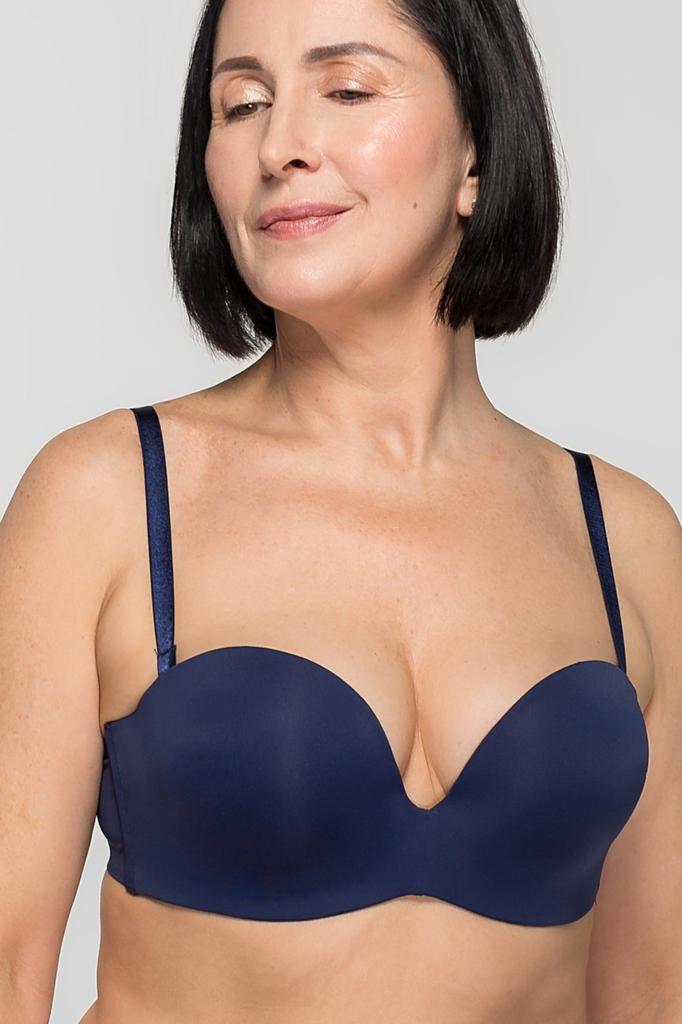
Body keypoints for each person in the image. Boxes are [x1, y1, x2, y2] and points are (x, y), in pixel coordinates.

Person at [1, 0, 681, 1021]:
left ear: (477, 155)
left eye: (348, 90)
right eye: (241, 104)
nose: (280, 144)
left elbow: (652, 993)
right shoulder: (107, 497)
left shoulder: (623, 536)